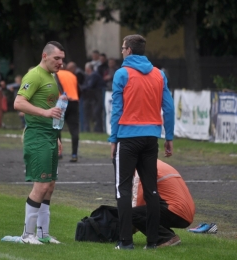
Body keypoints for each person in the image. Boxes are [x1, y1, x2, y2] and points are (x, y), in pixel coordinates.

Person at [108, 34, 175, 250]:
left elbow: (116, 109)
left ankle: (125, 242)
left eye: (122, 48)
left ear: (128, 50)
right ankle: (153, 242)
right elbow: (169, 108)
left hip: (127, 139)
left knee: (123, 190)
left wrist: (113, 139)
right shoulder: (158, 74)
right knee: (151, 190)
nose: (121, 51)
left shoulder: (122, 74)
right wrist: (170, 137)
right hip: (151, 139)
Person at [14, 41, 65, 244]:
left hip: (50, 135)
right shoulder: (34, 75)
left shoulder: (51, 76)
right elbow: (18, 102)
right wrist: (44, 113)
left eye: (62, 58)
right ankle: (27, 235)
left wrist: (58, 136)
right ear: (45, 56)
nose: (60, 62)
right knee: (41, 185)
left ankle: (43, 234)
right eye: (56, 58)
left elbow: (51, 107)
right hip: (37, 136)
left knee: (50, 185)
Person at [132, 160, 195, 247]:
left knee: (130, 213)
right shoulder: (160, 164)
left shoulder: (142, 167)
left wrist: (127, 225)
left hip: (175, 210)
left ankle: (165, 238)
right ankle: (169, 235)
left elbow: (138, 203)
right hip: (186, 213)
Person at [57, 63, 80, 162]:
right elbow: (79, 90)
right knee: (74, 129)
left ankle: (59, 153)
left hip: (61, 101)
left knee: (57, 128)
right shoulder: (72, 76)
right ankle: (74, 154)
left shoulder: (55, 74)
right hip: (74, 101)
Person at [82, 62, 105, 132]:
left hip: (97, 97)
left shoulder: (94, 75)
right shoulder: (88, 76)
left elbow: (89, 85)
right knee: (91, 113)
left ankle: (98, 129)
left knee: (96, 113)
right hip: (92, 97)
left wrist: (82, 88)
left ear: (88, 69)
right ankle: (89, 129)